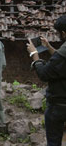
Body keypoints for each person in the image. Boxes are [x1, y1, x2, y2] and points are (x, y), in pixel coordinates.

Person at [27, 15, 66, 146]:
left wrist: (34, 55)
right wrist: (49, 47)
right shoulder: (63, 53)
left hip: (58, 106)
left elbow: (44, 74)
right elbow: (61, 60)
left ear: (64, 33)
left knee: (54, 141)